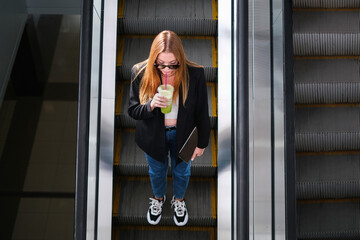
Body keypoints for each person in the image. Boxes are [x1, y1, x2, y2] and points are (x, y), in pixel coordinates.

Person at [128, 30, 210, 226]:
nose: (166, 70)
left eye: (172, 64)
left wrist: (202, 143)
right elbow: (133, 110)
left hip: (186, 136)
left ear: (180, 58)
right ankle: (158, 199)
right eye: (160, 64)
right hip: (153, 136)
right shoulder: (140, 72)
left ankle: (178, 200)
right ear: (153, 59)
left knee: (183, 172)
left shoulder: (195, 74)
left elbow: (202, 112)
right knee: (157, 171)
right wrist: (151, 105)